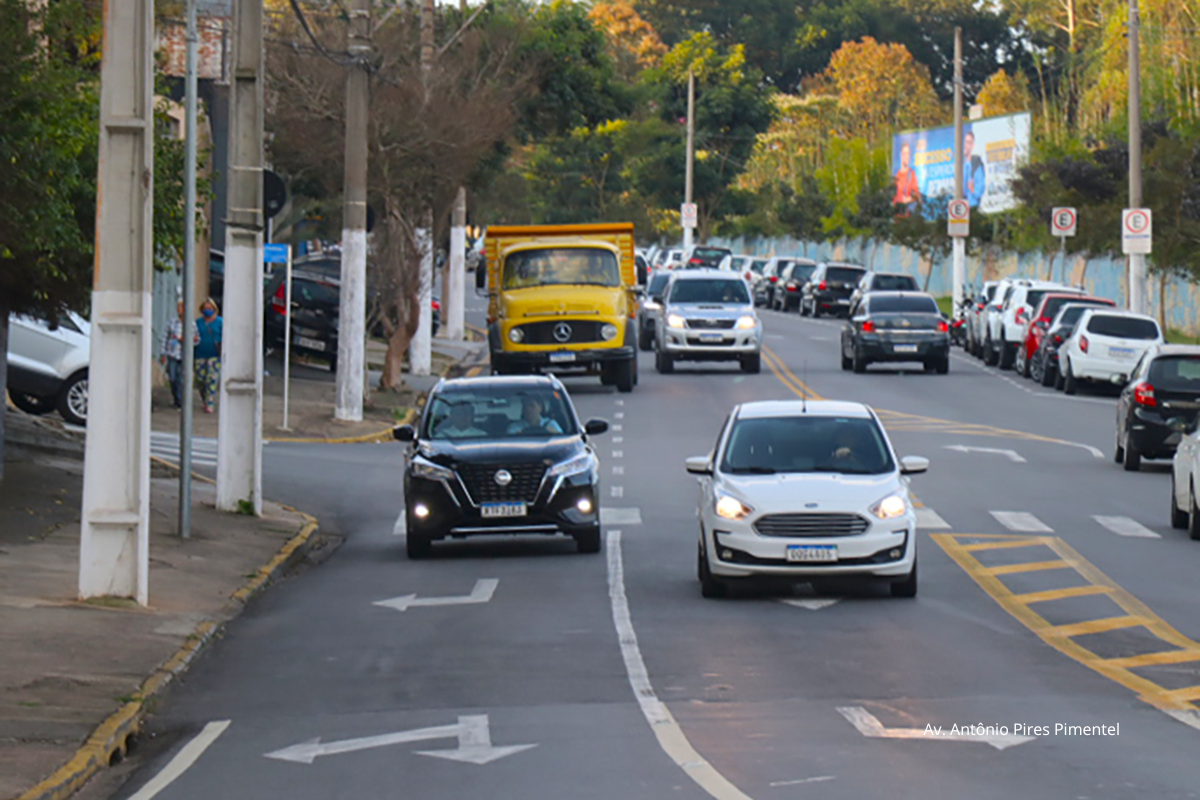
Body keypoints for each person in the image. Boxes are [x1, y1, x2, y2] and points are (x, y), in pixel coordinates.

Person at [194, 297, 222, 414]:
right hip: (199, 354)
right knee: (200, 379)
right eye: (205, 309)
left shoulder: (220, 322)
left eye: (210, 308)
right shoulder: (198, 323)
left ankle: (210, 402)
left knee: (211, 378)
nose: (208, 310)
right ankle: (205, 399)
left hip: (214, 355)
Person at [160, 300, 187, 408]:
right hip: (172, 354)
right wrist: (163, 353)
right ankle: (175, 396)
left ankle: (179, 400)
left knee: (181, 378)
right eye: (178, 307)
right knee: (172, 378)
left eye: (181, 307)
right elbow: (164, 338)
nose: (179, 309)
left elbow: (196, 339)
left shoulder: (190, 324)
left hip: (184, 355)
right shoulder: (171, 323)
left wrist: (184, 339)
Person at [962, 130, 987, 207]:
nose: (966, 145)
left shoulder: (976, 165)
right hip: (959, 206)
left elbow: (980, 189)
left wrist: (972, 189)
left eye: (968, 142)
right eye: (965, 142)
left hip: (972, 206)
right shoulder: (958, 164)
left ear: (972, 145)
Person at [893, 142, 920, 208]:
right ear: (901, 155)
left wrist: (909, 199)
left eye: (908, 154)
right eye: (904, 154)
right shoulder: (896, 176)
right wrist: (900, 199)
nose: (907, 156)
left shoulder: (911, 174)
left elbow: (917, 195)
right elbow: (893, 197)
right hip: (897, 214)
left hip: (908, 215)